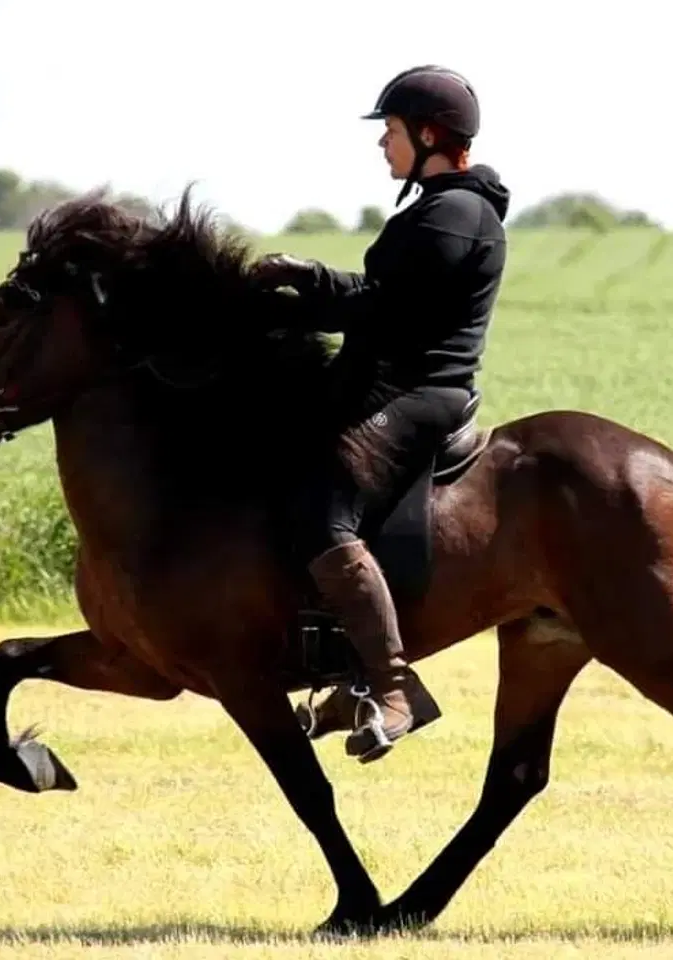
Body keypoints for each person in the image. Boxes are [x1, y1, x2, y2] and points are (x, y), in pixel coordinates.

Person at [249, 65, 511, 764]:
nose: (382, 145)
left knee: (321, 508)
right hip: (381, 382)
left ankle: (395, 689)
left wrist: (309, 288)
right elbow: (378, 294)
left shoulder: (455, 213)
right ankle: (342, 664)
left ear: (428, 136)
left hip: (419, 393)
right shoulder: (435, 206)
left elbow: (385, 305)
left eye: (390, 131)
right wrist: (305, 282)